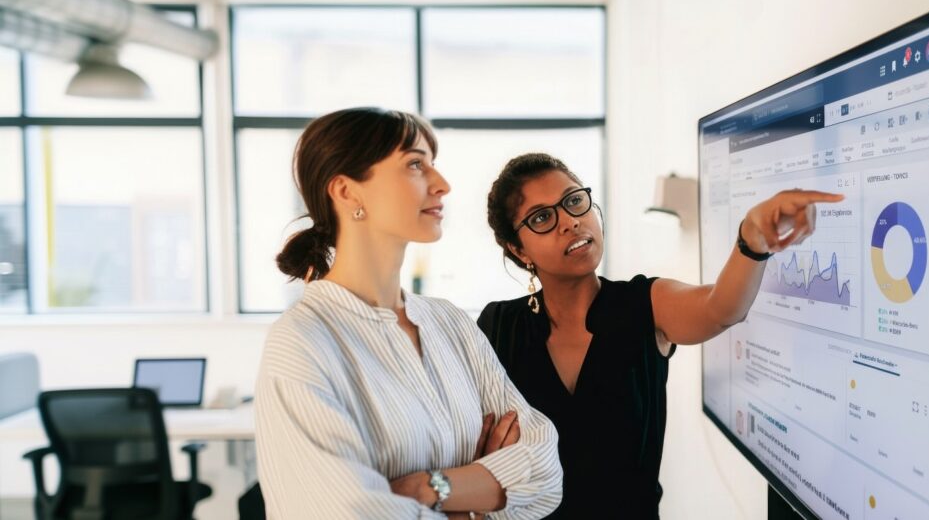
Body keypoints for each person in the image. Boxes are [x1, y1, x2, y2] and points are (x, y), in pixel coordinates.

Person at [478, 153, 843, 518]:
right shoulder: (497, 327)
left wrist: (752, 239)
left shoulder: (645, 303)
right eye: (542, 217)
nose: (570, 222)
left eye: (574, 201)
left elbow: (722, 308)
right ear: (518, 249)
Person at [255, 109, 563, 519]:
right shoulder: (302, 342)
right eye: (415, 164)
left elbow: (543, 474)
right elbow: (348, 513)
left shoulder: (449, 323)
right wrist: (475, 496)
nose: (442, 184)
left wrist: (426, 488)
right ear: (347, 191)